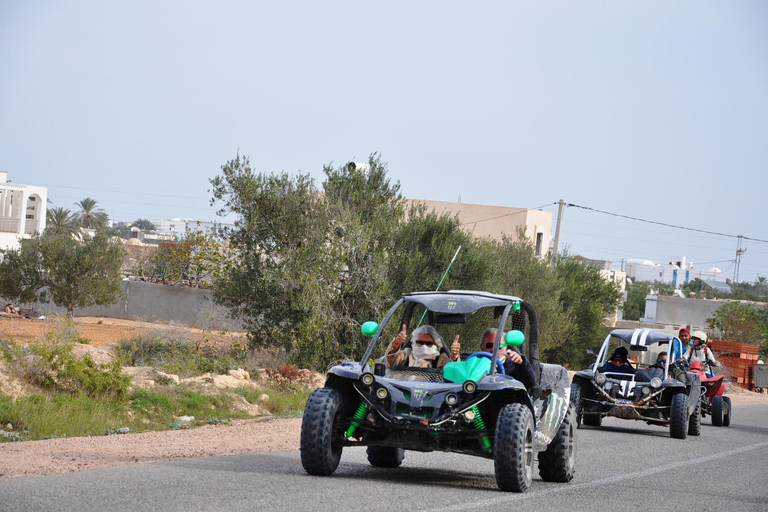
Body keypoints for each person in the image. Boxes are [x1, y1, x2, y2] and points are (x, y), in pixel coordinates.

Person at [386, 324, 460, 369]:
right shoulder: (407, 354)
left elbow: (452, 370)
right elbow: (391, 360)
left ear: (435, 344)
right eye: (420, 342)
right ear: (414, 342)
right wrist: (396, 344)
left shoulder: (441, 359)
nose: (424, 346)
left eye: (428, 343)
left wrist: (454, 356)